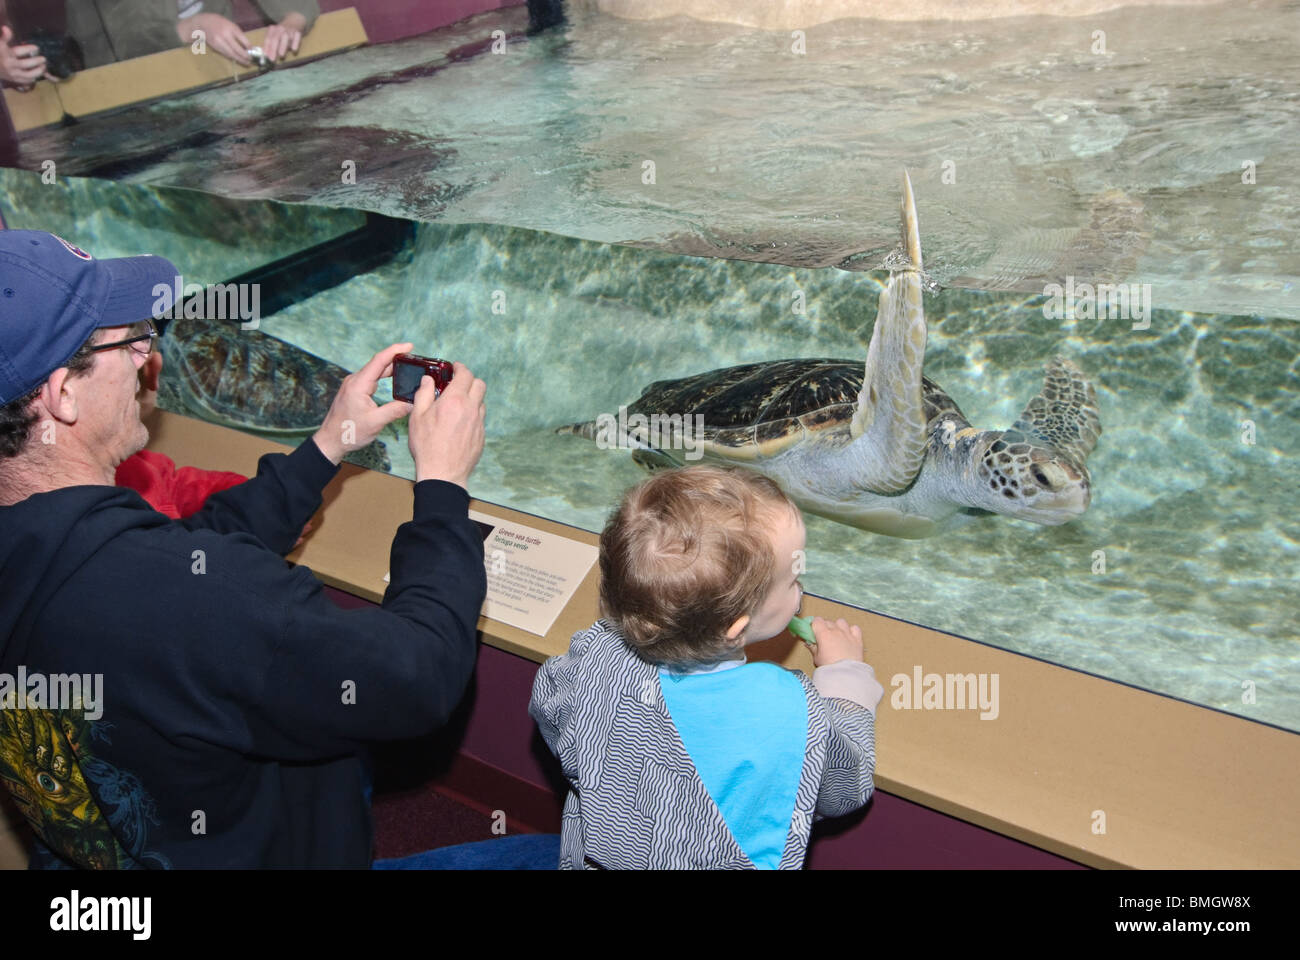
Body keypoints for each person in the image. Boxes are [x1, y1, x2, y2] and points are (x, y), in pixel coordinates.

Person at [0, 230, 488, 868]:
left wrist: (326, 446)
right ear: (62, 394)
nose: (150, 357)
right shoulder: (184, 602)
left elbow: (187, 552)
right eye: (131, 343)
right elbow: (416, 675)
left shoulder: (89, 554)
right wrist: (444, 489)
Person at [529, 464, 884, 869]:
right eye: (792, 580)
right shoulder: (783, 707)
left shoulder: (593, 654)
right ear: (736, 629)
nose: (800, 590)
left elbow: (550, 708)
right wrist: (844, 677)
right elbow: (844, 787)